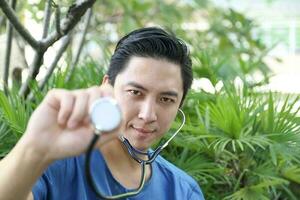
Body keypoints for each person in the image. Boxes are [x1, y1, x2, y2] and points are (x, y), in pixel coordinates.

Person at [0, 27, 205, 200]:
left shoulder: (183, 191)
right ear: (107, 87)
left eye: (166, 99)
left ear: (180, 104)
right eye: (135, 92)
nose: (148, 114)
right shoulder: (52, 164)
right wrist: (35, 148)